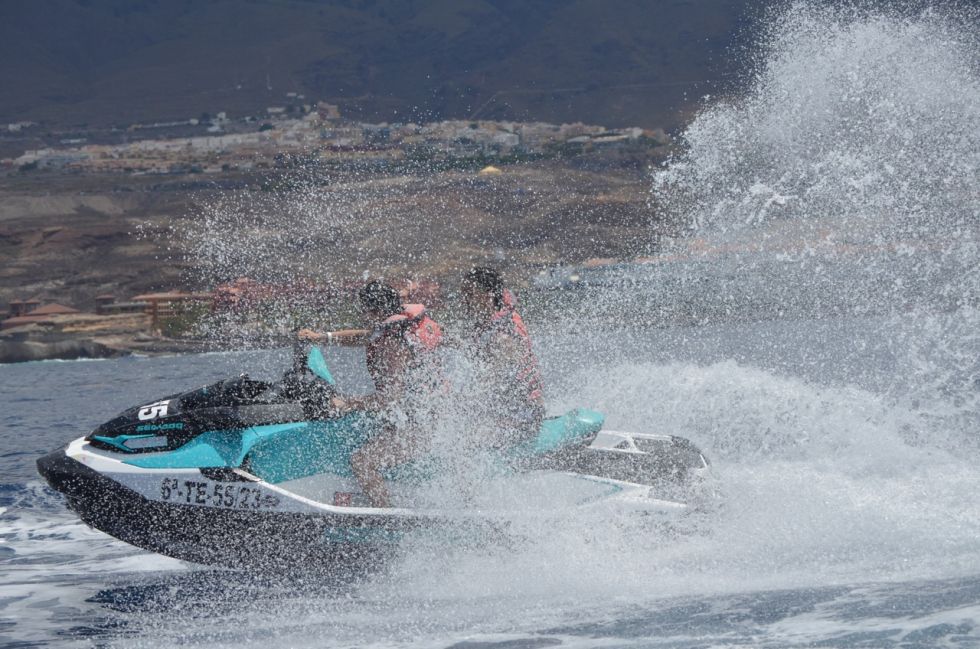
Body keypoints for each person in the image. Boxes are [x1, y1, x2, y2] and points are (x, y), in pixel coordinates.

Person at [299, 280, 443, 507]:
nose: (362, 316)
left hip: (424, 425)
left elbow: (389, 398)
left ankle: (386, 517)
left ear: (374, 311)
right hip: (424, 416)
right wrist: (322, 338)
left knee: (362, 461)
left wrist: (348, 402)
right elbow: (364, 336)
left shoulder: (393, 344)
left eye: (364, 310)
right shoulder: (399, 326)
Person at [460, 267, 545, 447]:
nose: (465, 300)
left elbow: (497, 375)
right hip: (503, 410)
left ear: (488, 295)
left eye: (470, 293)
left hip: (523, 413)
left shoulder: (504, 333)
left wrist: (464, 400)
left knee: (465, 438)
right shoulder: (487, 324)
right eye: (464, 293)